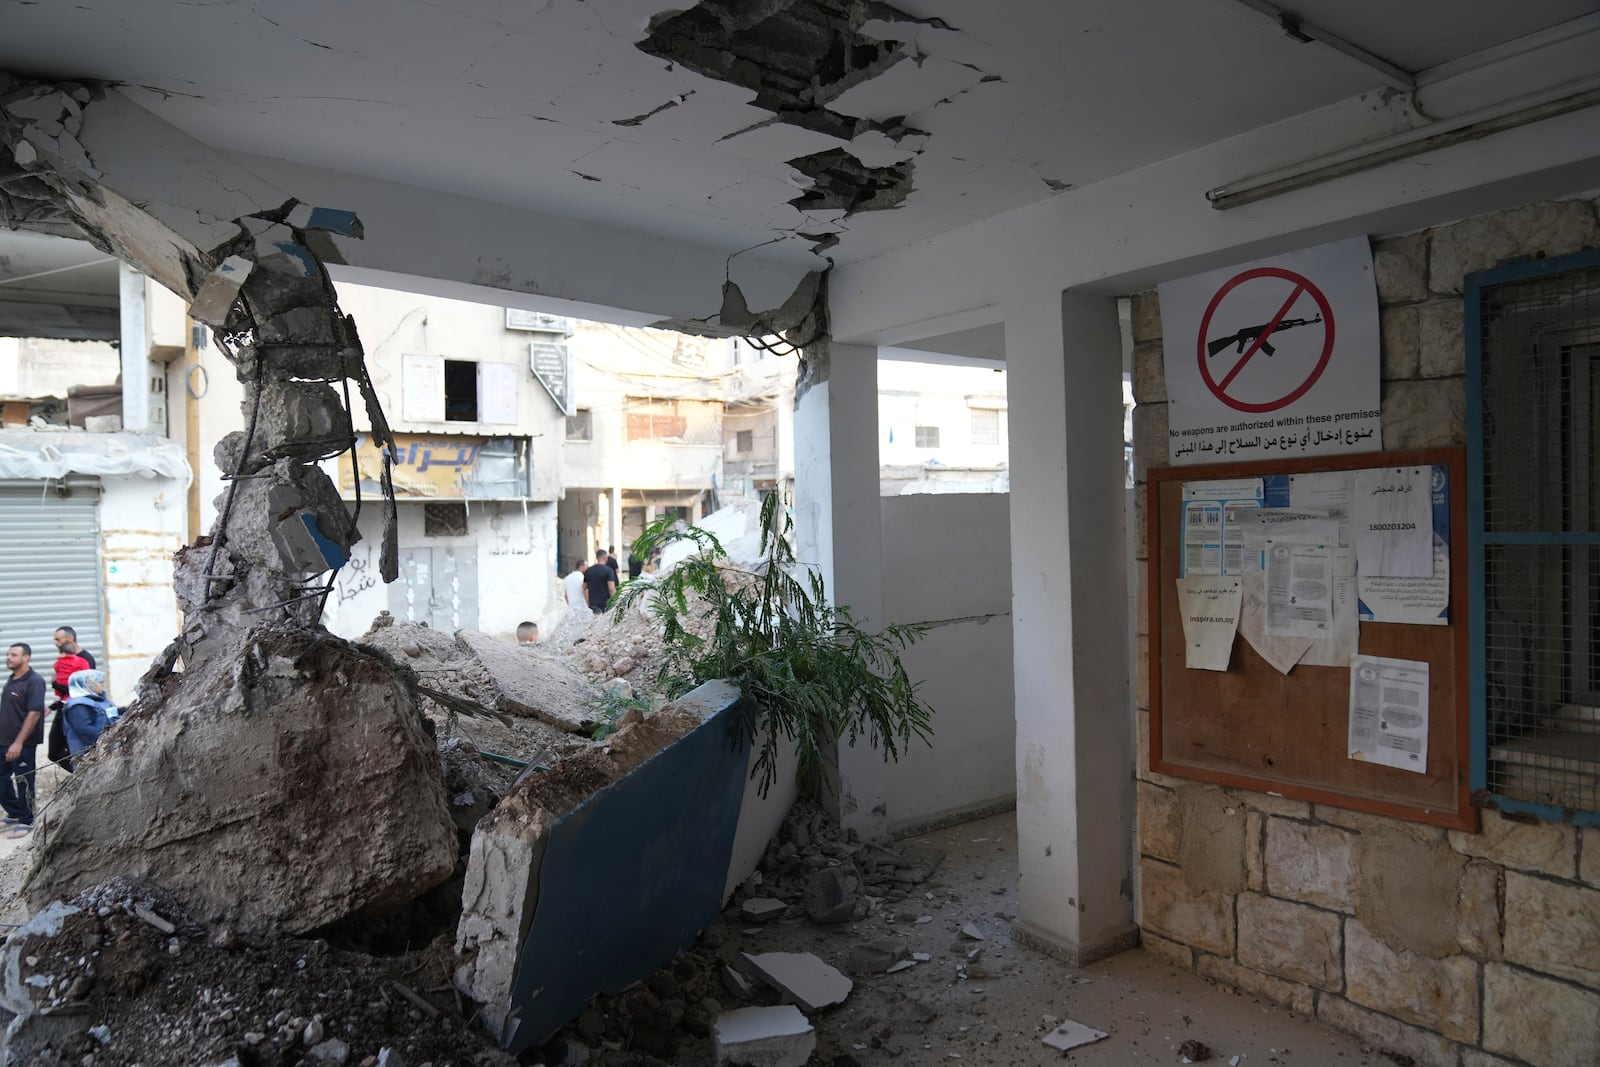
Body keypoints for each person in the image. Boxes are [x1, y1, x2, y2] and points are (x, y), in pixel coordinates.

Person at [1, 643, 45, 837]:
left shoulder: (34, 681)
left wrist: (18, 742)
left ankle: (27, 820)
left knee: (24, 780)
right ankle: (15, 812)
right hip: (4, 740)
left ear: (26, 657)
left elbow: (34, 713)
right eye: (8, 654)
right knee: (1, 780)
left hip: (23, 743)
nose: (9, 657)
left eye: (14, 655)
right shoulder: (12, 679)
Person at [62, 668, 117, 757]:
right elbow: (86, 731)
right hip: (90, 757)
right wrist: (107, 741)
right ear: (88, 685)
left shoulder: (99, 700)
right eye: (100, 682)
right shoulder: (78, 706)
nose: (103, 685)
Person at [585, 550, 617, 614]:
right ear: (605, 557)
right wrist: (615, 602)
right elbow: (611, 589)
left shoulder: (589, 570)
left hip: (593, 604)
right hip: (605, 604)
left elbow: (584, 588)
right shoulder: (609, 571)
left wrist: (588, 602)